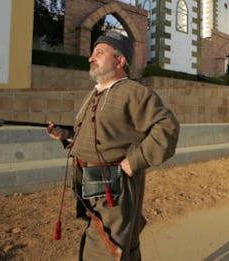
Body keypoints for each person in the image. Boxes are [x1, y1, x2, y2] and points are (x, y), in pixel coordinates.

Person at [47, 30, 180, 260]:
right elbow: (100, 133)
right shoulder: (95, 93)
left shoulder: (133, 92)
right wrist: (66, 136)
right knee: (119, 246)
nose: (91, 57)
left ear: (120, 61)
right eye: (92, 52)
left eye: (99, 52)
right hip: (90, 183)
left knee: (106, 249)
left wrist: (133, 162)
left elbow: (167, 127)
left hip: (114, 186)